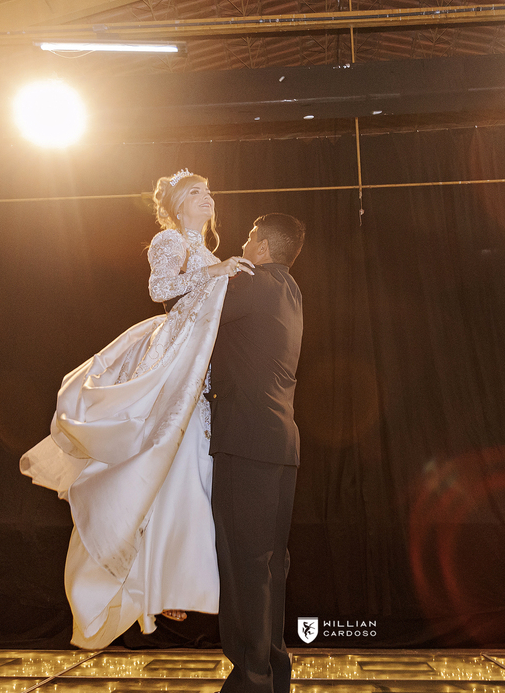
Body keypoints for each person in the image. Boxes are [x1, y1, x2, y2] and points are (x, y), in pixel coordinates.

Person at [20, 169, 253, 649]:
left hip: (200, 365)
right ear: (176, 205)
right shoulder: (170, 240)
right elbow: (160, 289)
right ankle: (151, 576)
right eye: (195, 192)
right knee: (161, 460)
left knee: (187, 468)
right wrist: (216, 272)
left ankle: (165, 577)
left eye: (209, 192)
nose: (207, 198)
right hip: (172, 360)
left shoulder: (212, 254)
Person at [208, 213, 306, 693]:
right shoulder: (291, 290)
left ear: (263, 247)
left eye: (249, 238)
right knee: (269, 567)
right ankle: (271, 677)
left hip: (246, 443)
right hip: (281, 445)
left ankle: (252, 683)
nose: (242, 246)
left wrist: (201, 270)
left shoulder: (252, 281)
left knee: (244, 565)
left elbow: (189, 312)